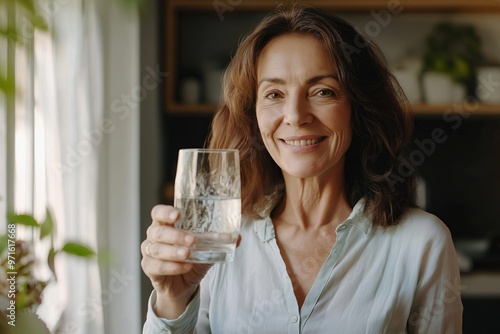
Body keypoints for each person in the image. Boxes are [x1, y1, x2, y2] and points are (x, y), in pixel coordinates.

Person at [141, 5, 463, 333]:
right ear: (254, 115)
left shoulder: (421, 242)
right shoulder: (217, 241)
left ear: (359, 108)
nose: (295, 115)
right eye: (274, 94)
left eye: (322, 91)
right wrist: (173, 299)